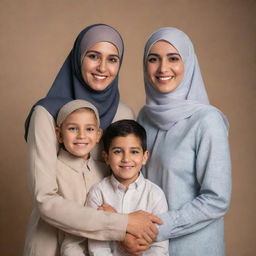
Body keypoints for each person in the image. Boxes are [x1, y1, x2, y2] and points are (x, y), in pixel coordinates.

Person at [23, 24, 161, 256]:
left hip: (109, 248)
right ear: (78, 58)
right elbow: (45, 199)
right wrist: (121, 225)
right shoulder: (46, 115)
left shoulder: (123, 114)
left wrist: (128, 234)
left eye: (112, 59)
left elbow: (128, 182)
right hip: (53, 244)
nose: (102, 68)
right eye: (93, 56)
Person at [137, 27, 232, 256]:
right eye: (153, 59)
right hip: (147, 249)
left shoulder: (207, 121)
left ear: (188, 63)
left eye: (173, 58)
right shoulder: (143, 117)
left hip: (193, 248)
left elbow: (216, 199)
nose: (162, 68)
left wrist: (154, 227)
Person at [85, 119, 169, 256]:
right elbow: (97, 247)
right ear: (106, 157)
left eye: (134, 152)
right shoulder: (97, 193)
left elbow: (159, 247)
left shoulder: (155, 195)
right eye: (118, 151)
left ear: (144, 157)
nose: (126, 159)